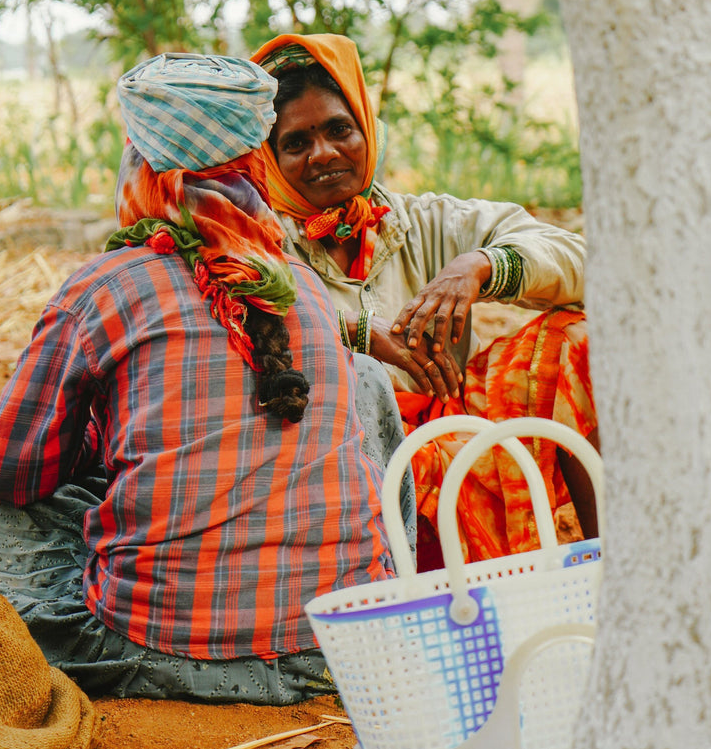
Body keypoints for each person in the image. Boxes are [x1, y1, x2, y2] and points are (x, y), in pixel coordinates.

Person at [0, 53, 395, 704]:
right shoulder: (307, 290)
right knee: (366, 379)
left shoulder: (105, 287)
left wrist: (97, 440)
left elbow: (10, 474)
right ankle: (386, 598)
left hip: (161, 653)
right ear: (256, 172)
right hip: (332, 654)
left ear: (142, 172)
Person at [250, 34, 599, 570]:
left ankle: (620, 572)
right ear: (271, 160)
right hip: (360, 460)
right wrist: (360, 336)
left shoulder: (425, 221)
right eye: (296, 143)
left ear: (366, 127)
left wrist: (478, 267)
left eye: (340, 130)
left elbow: (581, 261)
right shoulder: (261, 244)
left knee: (577, 339)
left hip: (464, 423)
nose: (323, 154)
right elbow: (242, 320)